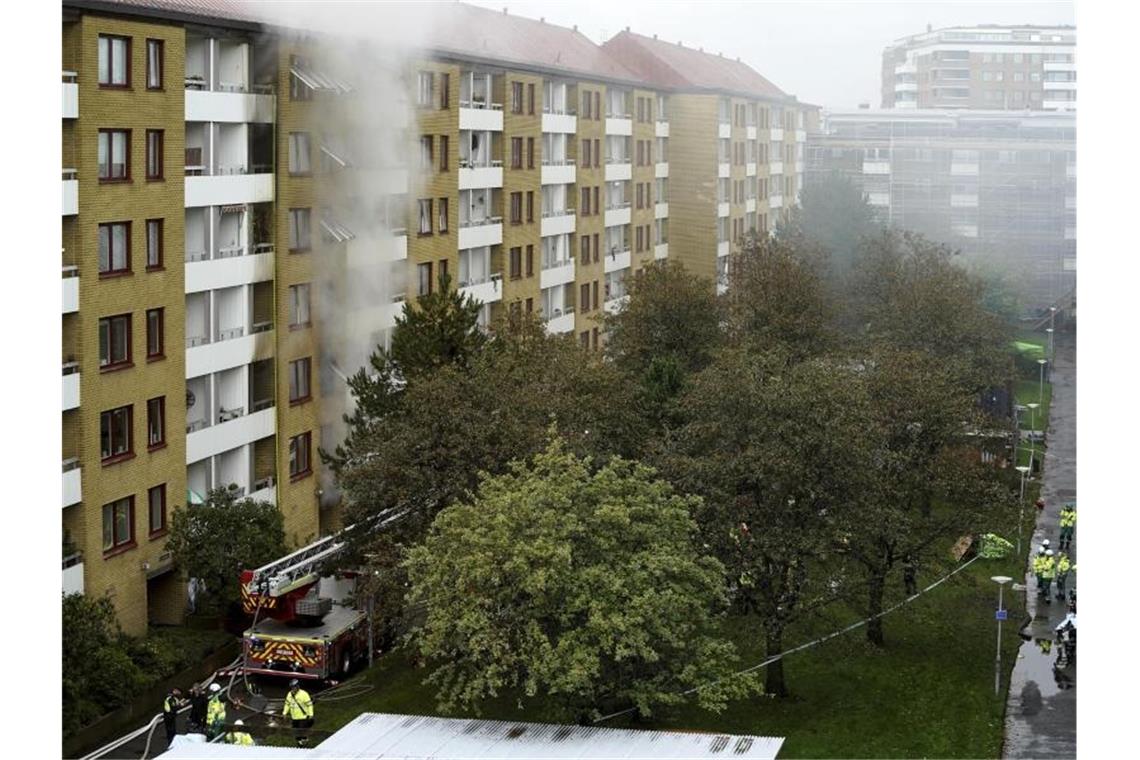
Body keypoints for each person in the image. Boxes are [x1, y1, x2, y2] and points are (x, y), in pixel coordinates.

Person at [283, 679, 315, 747]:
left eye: (294, 687)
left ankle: (303, 742)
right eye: (291, 687)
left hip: (303, 717)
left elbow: (309, 705)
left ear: (297, 687)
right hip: (294, 717)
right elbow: (287, 704)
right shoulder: (289, 694)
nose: (293, 689)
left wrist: (311, 714)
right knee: (296, 732)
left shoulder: (304, 694)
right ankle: (300, 742)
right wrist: (284, 713)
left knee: (301, 731)